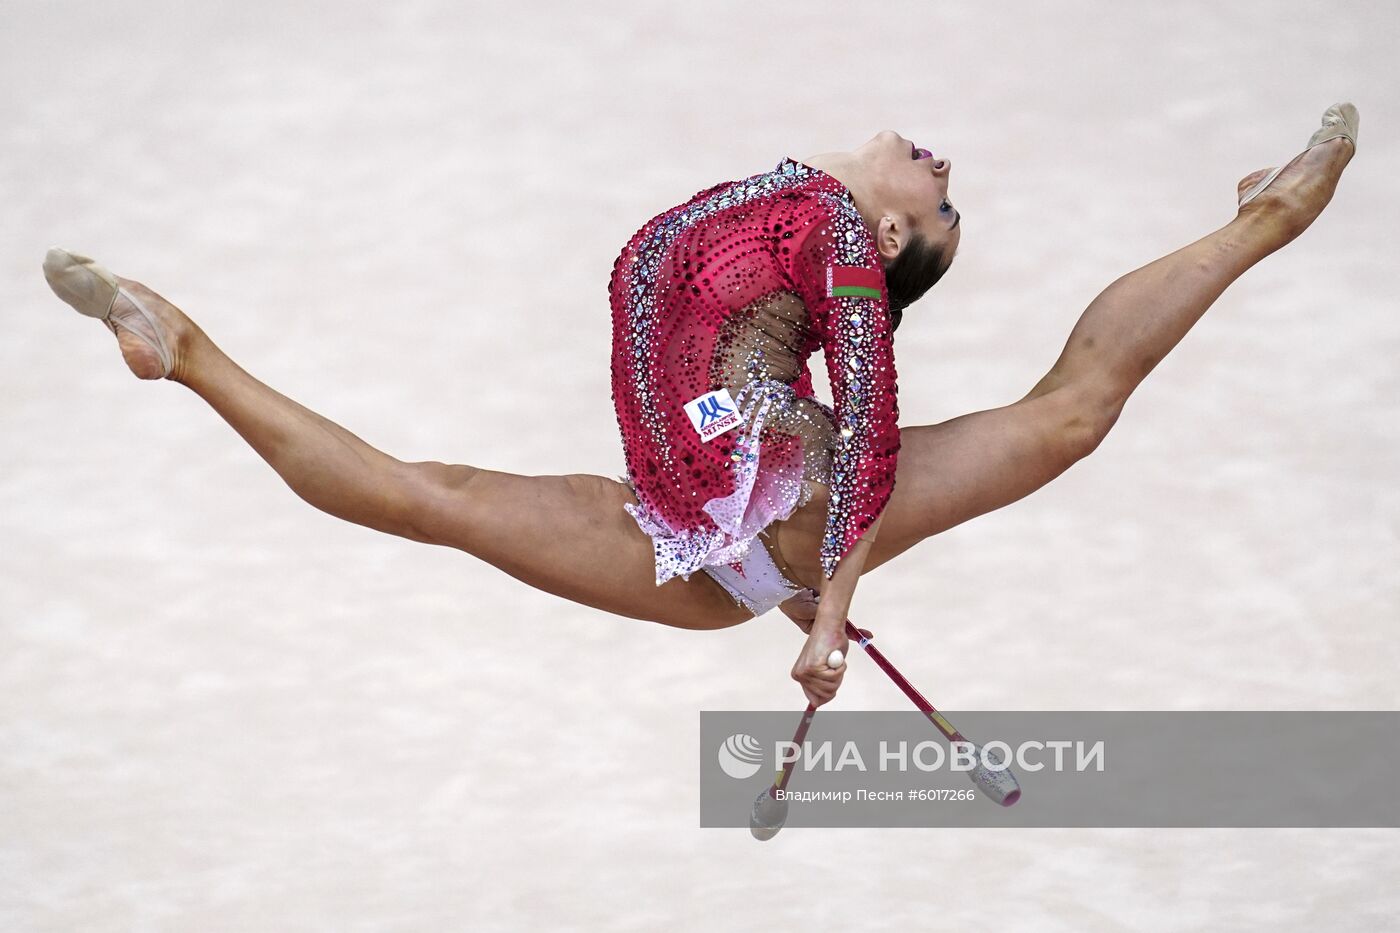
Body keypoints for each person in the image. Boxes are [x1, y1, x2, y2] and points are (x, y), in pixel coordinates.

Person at [42, 104, 1358, 708]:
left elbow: (871, 425)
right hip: (684, 529)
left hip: (777, 508)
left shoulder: (839, 236)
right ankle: (181, 348)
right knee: (426, 495)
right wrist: (793, 593)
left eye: (943, 202)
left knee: (1068, 416)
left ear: (891, 234)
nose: (943, 164)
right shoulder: (781, 198)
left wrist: (827, 611)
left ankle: (1273, 214)